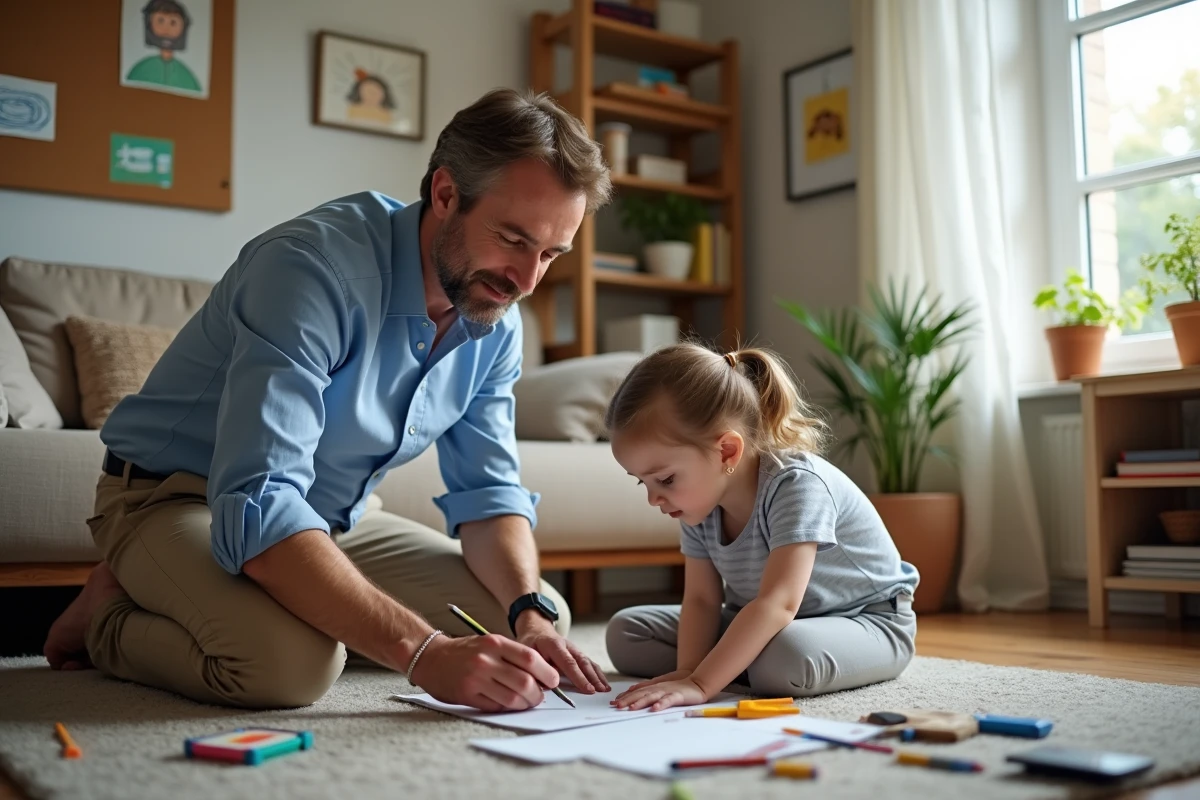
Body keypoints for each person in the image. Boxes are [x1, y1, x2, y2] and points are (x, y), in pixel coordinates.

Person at [43, 87, 615, 712]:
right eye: (512, 239)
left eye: (550, 254)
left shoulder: (496, 318)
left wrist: (527, 611)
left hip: (335, 517)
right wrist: (422, 653)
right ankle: (110, 616)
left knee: (535, 627)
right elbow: (261, 502)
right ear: (446, 195)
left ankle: (249, 595)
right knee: (290, 666)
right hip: (179, 496)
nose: (527, 280)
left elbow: (488, 494)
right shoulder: (310, 269)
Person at [603, 343, 919, 711]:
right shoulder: (698, 506)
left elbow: (779, 602)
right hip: (767, 619)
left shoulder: (796, 485)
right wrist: (687, 670)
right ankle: (740, 658)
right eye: (644, 483)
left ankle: (738, 661)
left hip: (868, 621)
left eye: (666, 479)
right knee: (628, 632)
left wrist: (702, 684)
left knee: (784, 659)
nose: (654, 499)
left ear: (726, 452)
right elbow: (703, 601)